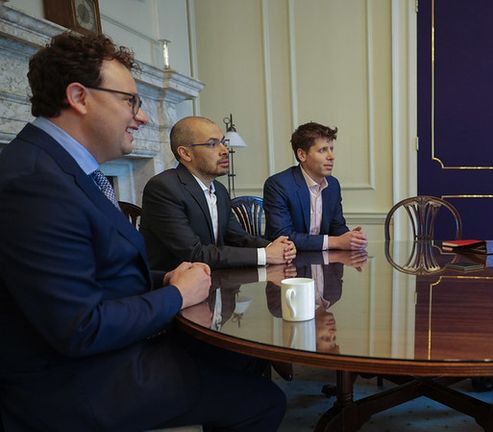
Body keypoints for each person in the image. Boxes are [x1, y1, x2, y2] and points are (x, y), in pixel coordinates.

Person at [0, 32, 285, 431]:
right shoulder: (33, 181)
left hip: (110, 349)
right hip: (73, 380)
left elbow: (97, 272)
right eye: (130, 100)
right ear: (80, 97)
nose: (144, 116)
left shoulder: (64, 168)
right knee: (263, 401)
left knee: (245, 357)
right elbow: (79, 328)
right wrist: (176, 293)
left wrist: (164, 276)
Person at [141, 116, 296, 270]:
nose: (224, 150)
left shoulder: (220, 190)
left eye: (223, 142)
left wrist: (276, 247)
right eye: (212, 144)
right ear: (186, 153)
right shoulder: (163, 188)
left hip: (216, 281)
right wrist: (265, 254)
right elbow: (194, 254)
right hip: (173, 288)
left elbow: (238, 237)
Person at [263, 122, 368, 251]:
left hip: (323, 262)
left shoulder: (332, 185)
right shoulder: (278, 185)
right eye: (322, 150)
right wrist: (335, 242)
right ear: (302, 155)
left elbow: (337, 227)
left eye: (331, 149)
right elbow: (283, 237)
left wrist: (352, 237)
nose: (331, 156)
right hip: (286, 264)